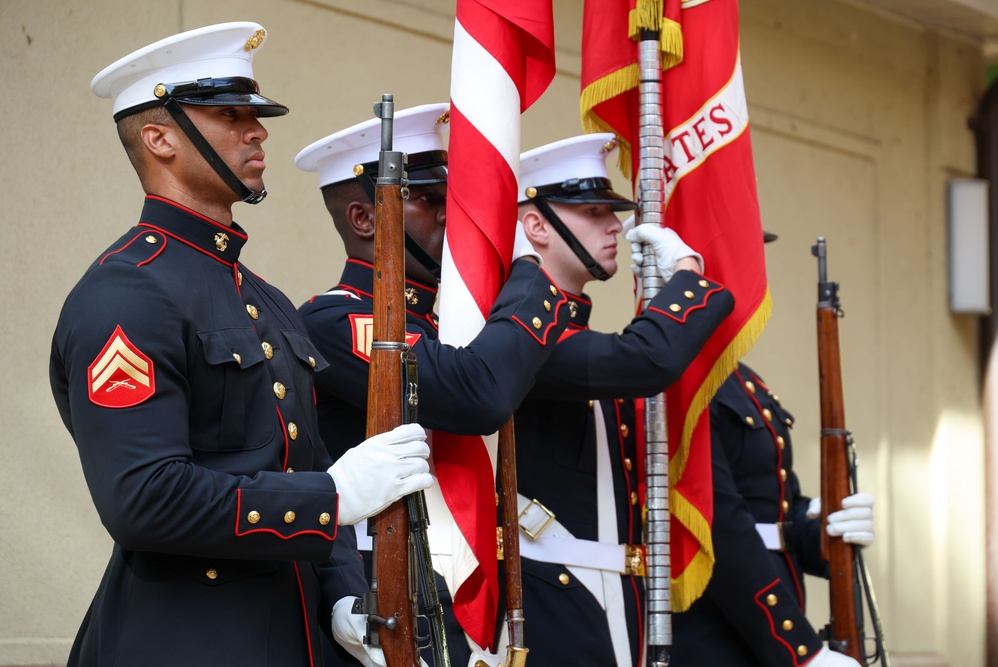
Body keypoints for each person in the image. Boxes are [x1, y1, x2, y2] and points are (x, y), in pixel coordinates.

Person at [49, 22, 432, 667]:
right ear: (160, 139)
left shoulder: (264, 298)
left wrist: (342, 595)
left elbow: (308, 467)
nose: (258, 132)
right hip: (185, 642)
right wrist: (332, 499)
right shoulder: (126, 293)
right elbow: (143, 499)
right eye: (230, 115)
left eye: (254, 115)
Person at [295, 105, 574, 665]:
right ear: (365, 218)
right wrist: (532, 273)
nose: (452, 215)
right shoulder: (336, 322)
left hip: (455, 593)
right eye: (427, 199)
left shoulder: (444, 327)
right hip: (382, 591)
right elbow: (480, 394)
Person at [495, 133, 735, 667]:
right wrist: (687, 273)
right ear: (536, 226)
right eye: (593, 212)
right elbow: (645, 360)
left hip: (610, 605)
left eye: (611, 212)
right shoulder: (522, 338)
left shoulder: (573, 333)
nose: (615, 227)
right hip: (553, 606)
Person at [670, 250, 876, 665]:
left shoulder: (743, 379)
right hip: (719, 635)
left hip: (771, 621)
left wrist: (822, 527)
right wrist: (799, 650)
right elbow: (721, 530)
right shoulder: (684, 378)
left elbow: (775, 510)